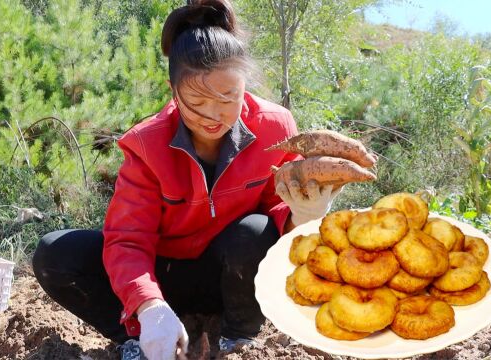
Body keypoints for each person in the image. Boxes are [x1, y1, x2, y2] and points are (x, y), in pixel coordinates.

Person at [32, 1, 342, 359]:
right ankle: (139, 338)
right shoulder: (147, 144)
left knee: (255, 231)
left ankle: (240, 337)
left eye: (228, 97)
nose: (213, 115)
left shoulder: (276, 127)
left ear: (245, 84)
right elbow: (128, 241)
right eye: (196, 100)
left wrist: (304, 216)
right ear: (173, 91)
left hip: (230, 278)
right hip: (163, 277)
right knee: (56, 253)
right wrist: (148, 305)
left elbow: (277, 216)